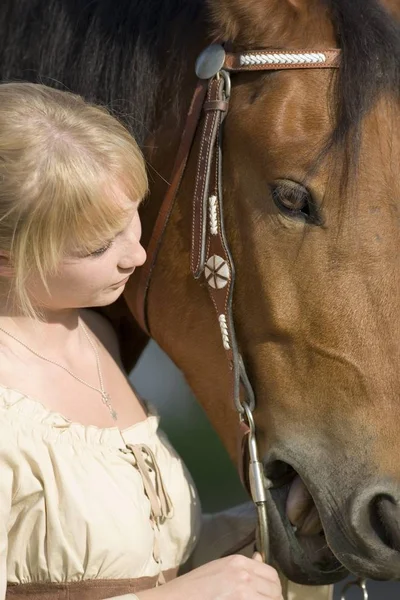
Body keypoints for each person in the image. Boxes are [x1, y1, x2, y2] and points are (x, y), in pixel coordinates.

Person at [0, 82, 284, 600]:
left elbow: (140, 559)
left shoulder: (101, 334)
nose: (135, 255)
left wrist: (264, 530)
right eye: (97, 245)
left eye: (134, 218)